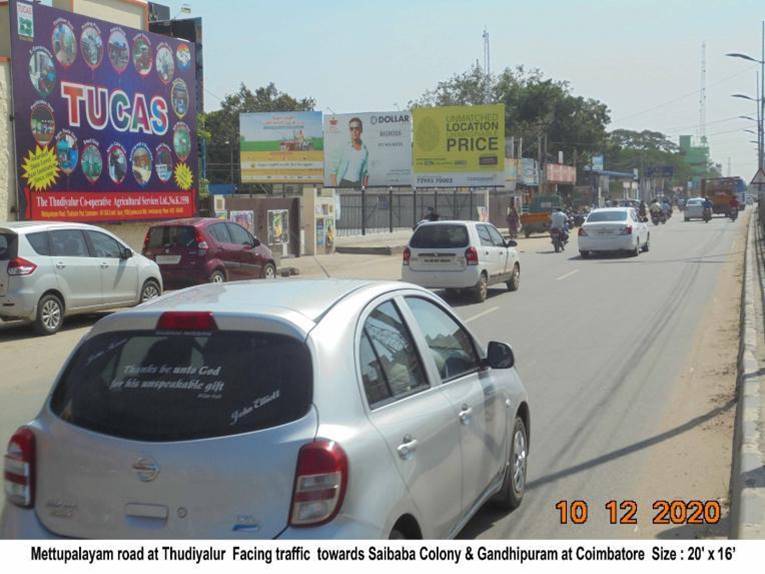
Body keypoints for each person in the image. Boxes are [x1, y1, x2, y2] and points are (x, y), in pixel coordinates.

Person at [329, 117, 369, 188]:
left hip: (358, 184)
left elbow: (366, 173)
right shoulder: (343, 147)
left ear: (361, 130)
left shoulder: (365, 150)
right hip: (343, 183)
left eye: (357, 128)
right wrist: (336, 188)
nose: (354, 131)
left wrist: (364, 188)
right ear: (349, 130)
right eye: (351, 129)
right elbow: (333, 171)